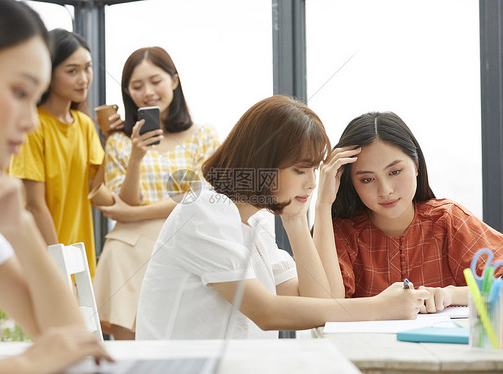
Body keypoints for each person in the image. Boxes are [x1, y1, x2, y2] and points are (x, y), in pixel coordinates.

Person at [135, 95, 429, 340]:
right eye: (301, 170)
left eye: (314, 170)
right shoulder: (204, 212)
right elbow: (267, 312)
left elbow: (319, 305)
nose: (312, 183)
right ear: (263, 163)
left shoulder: (256, 221)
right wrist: (379, 307)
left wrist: (296, 220)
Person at [0, 0, 111, 372]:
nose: (32, 123)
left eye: (35, 101)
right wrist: (24, 364)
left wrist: (20, 226)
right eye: (20, 93)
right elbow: (49, 352)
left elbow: (69, 338)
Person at [92, 46, 220, 340]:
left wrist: (132, 214)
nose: (148, 91)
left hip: (186, 241)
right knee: (132, 351)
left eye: (156, 81)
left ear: (174, 81)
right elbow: (126, 201)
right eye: (137, 86)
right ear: (128, 93)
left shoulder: (204, 136)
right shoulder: (120, 143)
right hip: (130, 249)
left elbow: (199, 197)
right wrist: (136, 156)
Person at [331, 111, 503, 313]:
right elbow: (324, 307)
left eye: (395, 172)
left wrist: (450, 294)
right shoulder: (342, 234)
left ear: (416, 165)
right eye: (367, 179)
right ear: (350, 183)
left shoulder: (448, 220)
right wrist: (322, 204)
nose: (385, 190)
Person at [9, 29, 105, 277]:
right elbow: (34, 205)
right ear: (47, 74)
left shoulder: (84, 125)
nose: (83, 79)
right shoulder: (32, 126)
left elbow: (97, 189)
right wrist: (60, 268)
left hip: (78, 258)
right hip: (45, 257)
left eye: (87, 68)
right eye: (72, 71)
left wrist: (115, 140)